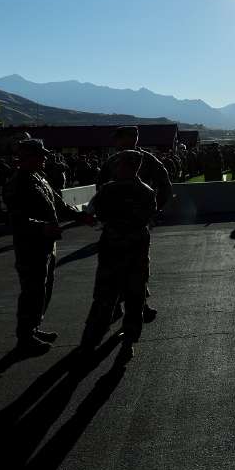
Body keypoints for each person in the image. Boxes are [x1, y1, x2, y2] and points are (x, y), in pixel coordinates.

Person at [3, 139, 93, 354]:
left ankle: (33, 327)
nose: (45, 158)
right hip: (30, 246)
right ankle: (25, 337)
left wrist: (81, 217)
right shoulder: (19, 183)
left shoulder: (39, 178)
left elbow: (59, 204)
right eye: (40, 155)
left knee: (43, 287)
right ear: (28, 157)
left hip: (46, 244)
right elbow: (15, 220)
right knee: (32, 290)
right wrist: (42, 227)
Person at [81, 150, 157, 359]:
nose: (116, 168)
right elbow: (150, 217)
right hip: (137, 252)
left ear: (125, 166)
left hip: (113, 251)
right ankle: (129, 342)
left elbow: (94, 213)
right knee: (135, 297)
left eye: (119, 165)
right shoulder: (147, 191)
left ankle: (91, 340)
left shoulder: (107, 190)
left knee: (105, 297)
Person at [96, 126, 172, 323]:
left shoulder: (116, 161)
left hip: (122, 225)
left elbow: (100, 190)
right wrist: (154, 211)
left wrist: (153, 210)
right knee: (135, 266)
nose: (115, 142)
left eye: (118, 138)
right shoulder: (145, 159)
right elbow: (165, 185)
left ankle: (131, 307)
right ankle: (131, 307)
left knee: (125, 267)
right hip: (134, 223)